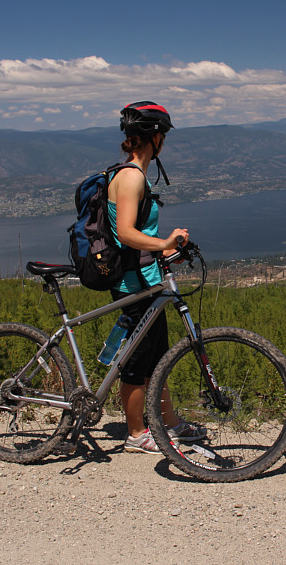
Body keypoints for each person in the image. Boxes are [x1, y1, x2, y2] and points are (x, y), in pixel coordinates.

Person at [109, 101, 204, 453]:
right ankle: (136, 434)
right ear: (155, 137)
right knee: (136, 363)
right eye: (163, 134)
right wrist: (163, 242)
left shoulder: (136, 175)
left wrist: (164, 251)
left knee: (157, 357)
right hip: (132, 286)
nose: (164, 140)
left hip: (147, 281)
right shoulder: (131, 177)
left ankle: (169, 423)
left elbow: (138, 238)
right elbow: (125, 233)